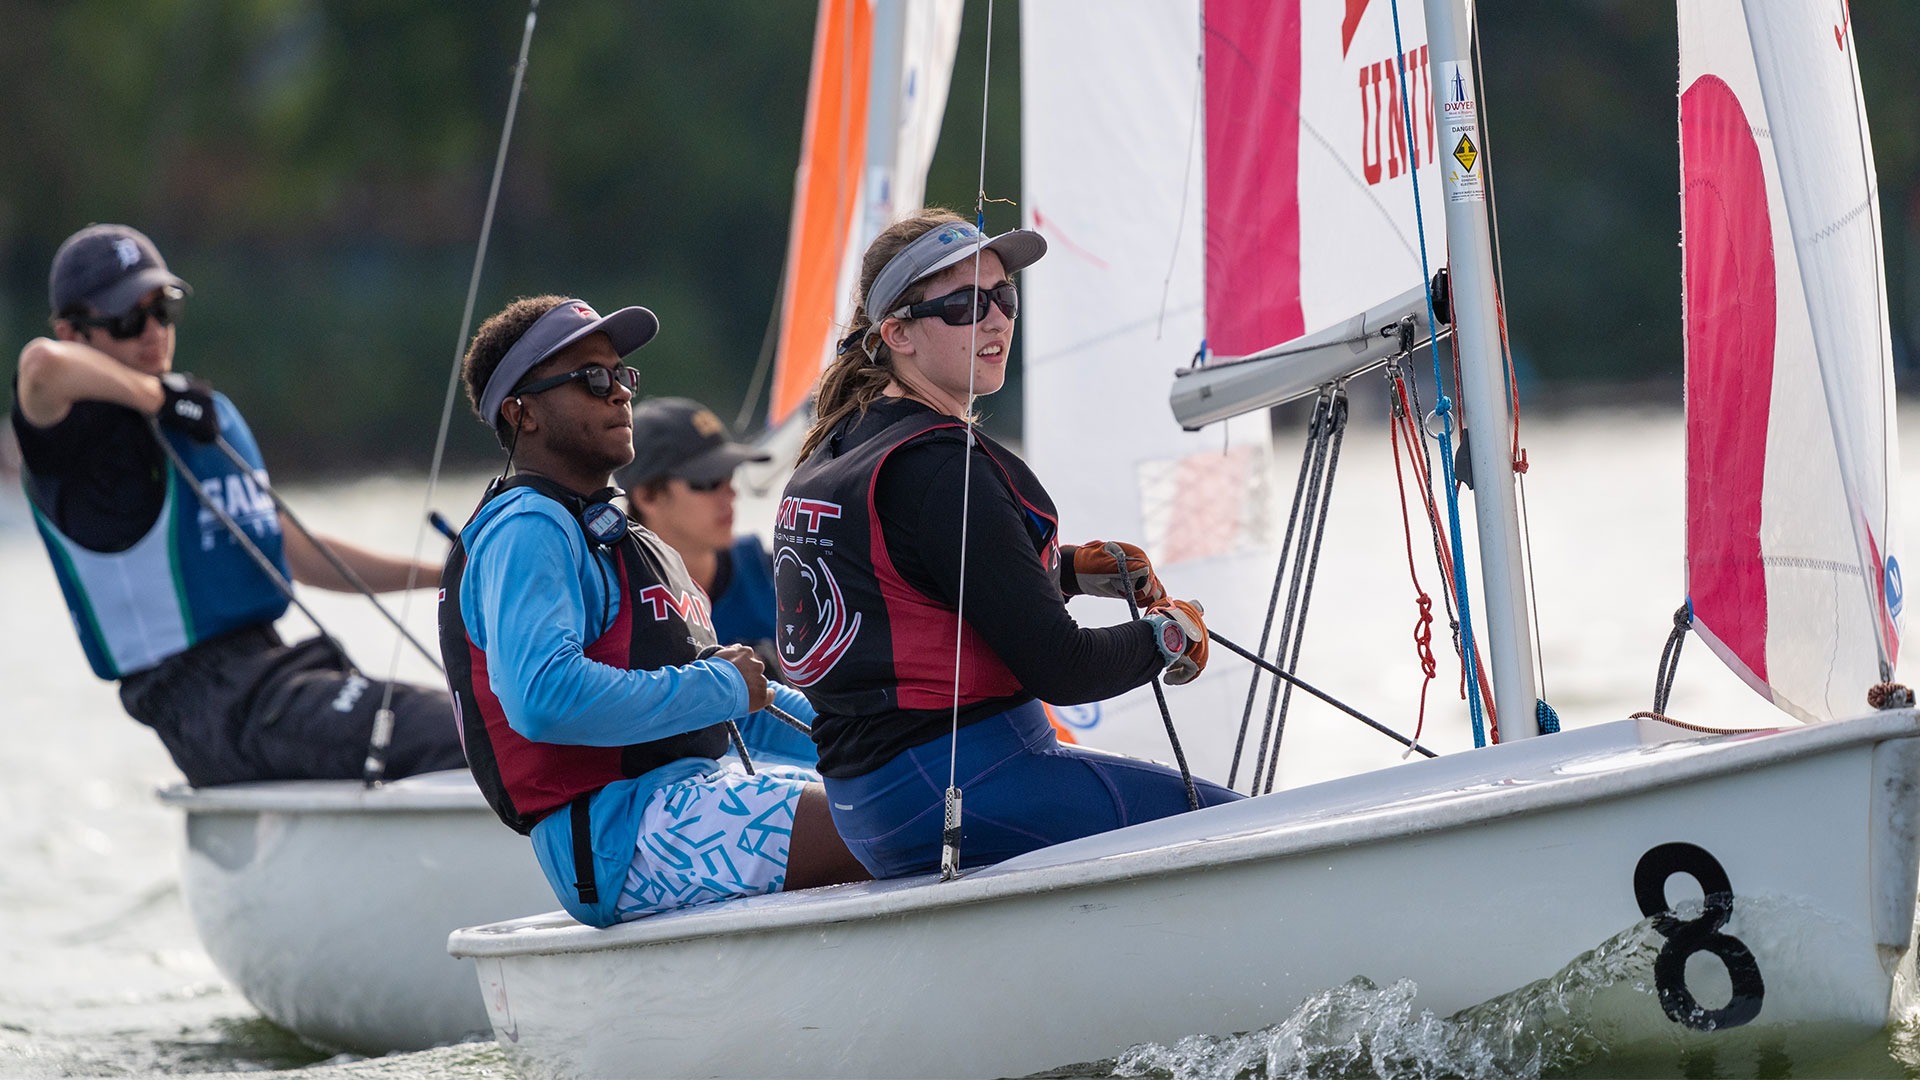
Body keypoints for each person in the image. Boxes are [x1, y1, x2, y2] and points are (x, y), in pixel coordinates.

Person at [775, 210, 1242, 880]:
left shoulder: (837, 445)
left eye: (1004, 298)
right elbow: (1065, 668)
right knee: (1238, 827)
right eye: (963, 305)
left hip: (875, 805)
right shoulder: (941, 469)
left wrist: (1072, 573)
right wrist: (1168, 636)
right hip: (961, 784)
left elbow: (918, 594)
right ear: (897, 333)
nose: (995, 320)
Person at [442, 294, 869, 928]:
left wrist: (870, 735)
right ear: (520, 413)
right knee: (907, 823)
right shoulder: (528, 526)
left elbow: (734, 715)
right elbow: (541, 696)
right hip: (617, 838)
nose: (618, 393)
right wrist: (721, 684)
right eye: (591, 379)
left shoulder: (625, 538)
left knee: (913, 793)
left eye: (622, 376)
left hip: (680, 801)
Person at [11, 223, 465, 787]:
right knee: (466, 739)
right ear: (73, 333)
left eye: (162, 310)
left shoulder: (200, 418)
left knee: (491, 726)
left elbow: (295, 548)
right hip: (209, 706)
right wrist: (161, 398)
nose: (152, 331)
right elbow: (40, 366)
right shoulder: (75, 450)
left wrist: (443, 575)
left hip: (274, 675)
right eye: (128, 318)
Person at [617, 397, 778, 667]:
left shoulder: (776, 573)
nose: (731, 492)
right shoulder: (611, 599)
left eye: (730, 475)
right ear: (648, 496)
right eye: (709, 481)